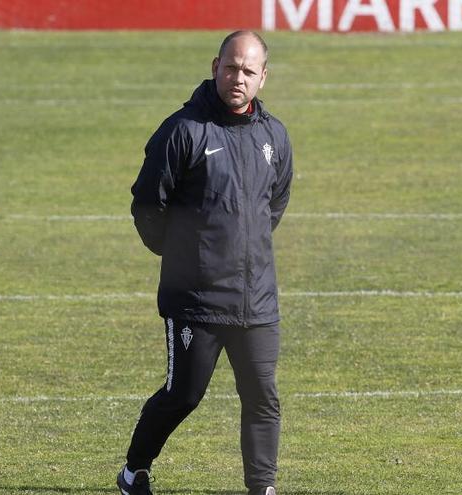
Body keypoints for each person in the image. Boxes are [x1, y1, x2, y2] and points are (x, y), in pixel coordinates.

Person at [117, 31, 292, 495]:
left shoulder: (274, 135)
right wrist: (180, 257)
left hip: (256, 298)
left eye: (249, 71)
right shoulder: (182, 130)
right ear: (216, 66)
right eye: (231, 67)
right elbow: (147, 205)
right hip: (195, 298)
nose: (239, 77)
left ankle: (263, 488)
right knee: (184, 395)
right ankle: (134, 470)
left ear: (263, 77)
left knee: (263, 399)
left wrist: (243, 249)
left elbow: (274, 203)